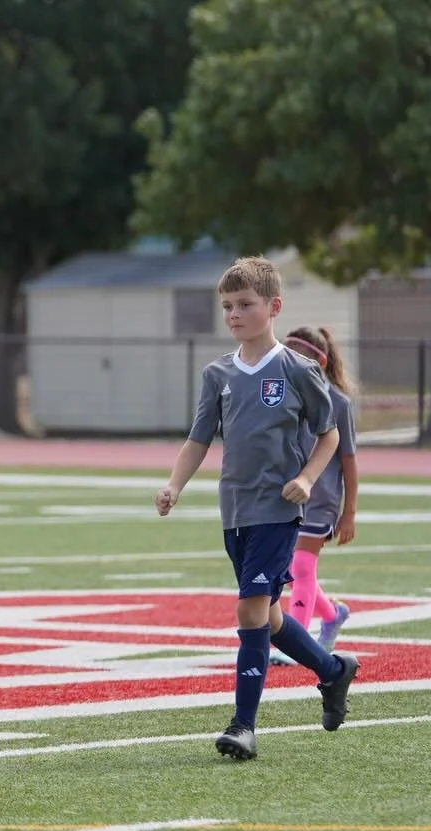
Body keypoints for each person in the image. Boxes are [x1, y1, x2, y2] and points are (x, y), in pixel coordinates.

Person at [156, 256, 359, 761]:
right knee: (267, 618)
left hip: (277, 513)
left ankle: (243, 725)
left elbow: (330, 435)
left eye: (245, 304)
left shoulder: (297, 370)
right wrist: (174, 485)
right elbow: (199, 439)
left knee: (248, 610)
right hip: (235, 512)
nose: (234, 314)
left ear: (274, 307)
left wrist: (306, 479)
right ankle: (333, 671)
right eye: (227, 306)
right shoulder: (218, 373)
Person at [271, 326, 358, 665]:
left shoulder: (339, 403)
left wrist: (349, 513)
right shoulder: (283, 399)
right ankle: (333, 614)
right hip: (288, 499)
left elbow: (349, 462)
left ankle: (296, 643)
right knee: (293, 571)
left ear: (319, 362)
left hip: (322, 502)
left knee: (302, 566)